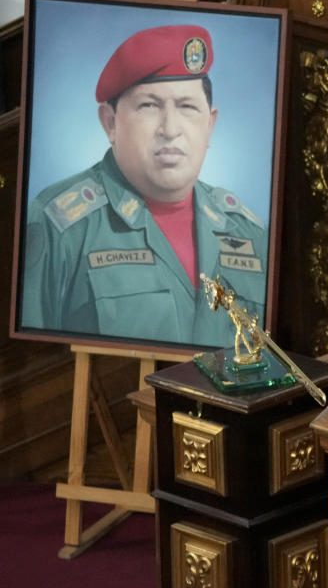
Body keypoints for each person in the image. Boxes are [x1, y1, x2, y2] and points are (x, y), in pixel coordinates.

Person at [20, 24, 268, 347]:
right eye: (149, 106)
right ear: (110, 123)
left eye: (188, 107)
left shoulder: (247, 231)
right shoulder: (60, 226)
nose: (170, 128)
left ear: (210, 124)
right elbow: (32, 371)